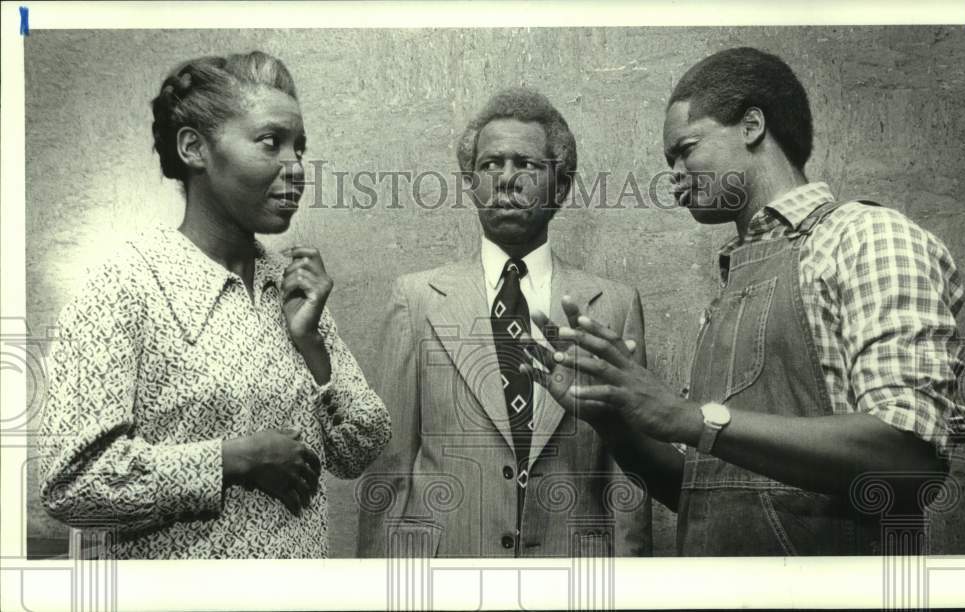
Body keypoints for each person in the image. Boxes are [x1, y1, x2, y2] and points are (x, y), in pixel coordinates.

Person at [524, 47, 965, 556]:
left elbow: (906, 458)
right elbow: (703, 492)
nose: (674, 176)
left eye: (686, 148)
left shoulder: (868, 237)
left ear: (752, 125)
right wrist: (614, 417)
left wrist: (689, 417)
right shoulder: (732, 285)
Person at [36, 51, 391, 559]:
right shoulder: (124, 286)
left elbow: (361, 449)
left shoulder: (290, 286)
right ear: (194, 148)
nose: (296, 168)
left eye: (300, 148)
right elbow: (72, 484)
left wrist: (312, 346)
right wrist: (234, 460)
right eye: (271, 143)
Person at [356, 88, 651, 558]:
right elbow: (388, 469)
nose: (506, 179)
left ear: (560, 184)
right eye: (491, 164)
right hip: (444, 574)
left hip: (573, 572)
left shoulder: (612, 304)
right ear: (472, 182)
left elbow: (630, 476)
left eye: (527, 165)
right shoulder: (416, 301)